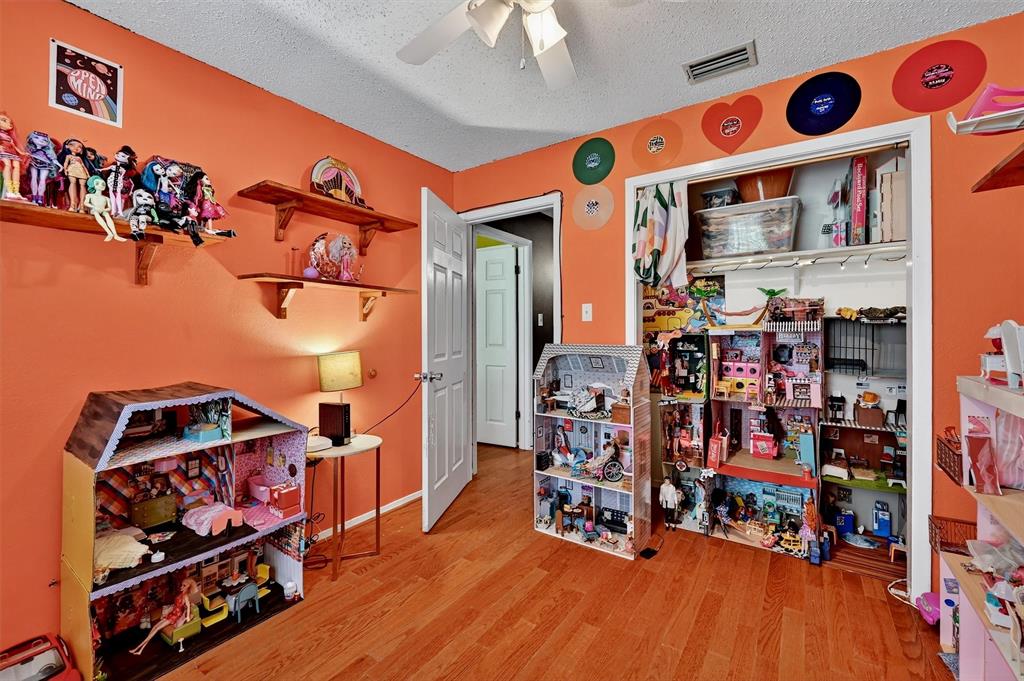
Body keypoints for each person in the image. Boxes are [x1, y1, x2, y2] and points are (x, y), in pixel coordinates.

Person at [130, 578, 198, 655]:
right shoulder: (181, 594)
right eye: (182, 585)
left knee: (156, 629)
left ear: (188, 587)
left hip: (174, 617)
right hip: (171, 614)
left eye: (184, 585)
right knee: (154, 627)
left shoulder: (185, 597)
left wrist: (188, 616)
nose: (181, 587)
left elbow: (188, 607)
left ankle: (138, 649)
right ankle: (140, 650)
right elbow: (178, 606)